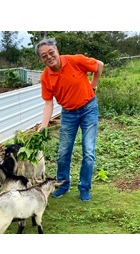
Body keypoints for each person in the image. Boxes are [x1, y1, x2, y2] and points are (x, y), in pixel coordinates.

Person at [36, 38, 104, 201]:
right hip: (68, 113)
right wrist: (44, 125)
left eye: (51, 52)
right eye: (44, 56)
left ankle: (84, 187)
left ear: (57, 50)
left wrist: (93, 84)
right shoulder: (46, 77)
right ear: (41, 60)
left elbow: (99, 65)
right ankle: (63, 185)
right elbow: (48, 104)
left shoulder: (75, 60)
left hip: (89, 109)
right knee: (63, 152)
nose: (49, 57)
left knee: (88, 151)